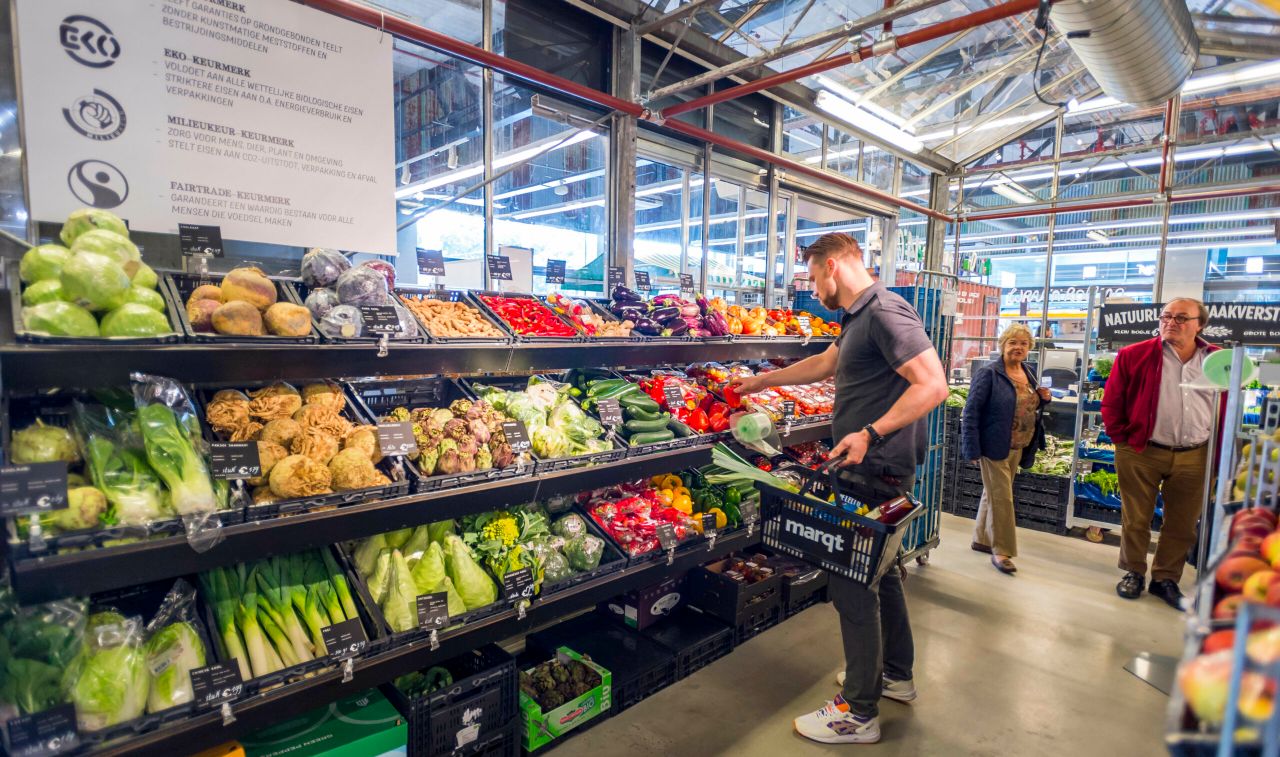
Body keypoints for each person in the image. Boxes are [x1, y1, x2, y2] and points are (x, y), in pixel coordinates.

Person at [728, 232, 947, 745]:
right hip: (875, 468)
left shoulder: (886, 313)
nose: (811, 286)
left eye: (810, 275)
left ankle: (858, 712)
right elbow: (829, 363)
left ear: (831, 266)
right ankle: (894, 675)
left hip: (874, 469)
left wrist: (870, 433)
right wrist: (765, 383)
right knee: (883, 572)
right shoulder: (859, 316)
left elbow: (933, 385)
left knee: (852, 584)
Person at [1101, 297, 1220, 608]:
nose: (1171, 322)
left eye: (1181, 318)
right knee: (1136, 518)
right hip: (1142, 450)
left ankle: (1165, 579)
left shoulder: (1217, 361)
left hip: (1196, 453)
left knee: (1182, 523)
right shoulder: (1134, 355)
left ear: (1200, 325)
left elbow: (1229, 404)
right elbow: (1112, 402)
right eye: (1166, 316)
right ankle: (1133, 572)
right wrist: (1122, 440)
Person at [960, 324, 1051, 574]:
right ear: (1003, 345)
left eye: (1023, 343)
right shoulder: (989, 374)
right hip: (993, 445)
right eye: (1013, 343)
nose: (1018, 348)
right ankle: (1002, 551)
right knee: (1003, 498)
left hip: (1019, 444)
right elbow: (970, 412)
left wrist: (1043, 398)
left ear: (1029, 347)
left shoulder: (1029, 372)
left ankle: (981, 538)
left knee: (995, 493)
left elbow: (1027, 402)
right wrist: (971, 449)